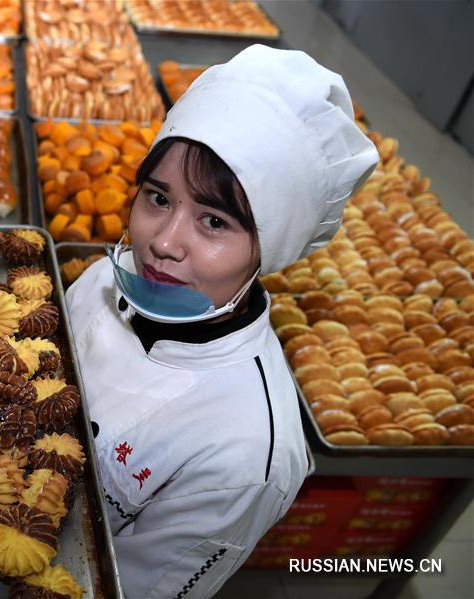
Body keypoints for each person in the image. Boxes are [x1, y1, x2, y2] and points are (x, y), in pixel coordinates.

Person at [65, 44, 379, 598]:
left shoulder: (247, 453)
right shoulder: (102, 278)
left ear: (271, 246)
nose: (162, 242)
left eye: (213, 221)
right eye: (158, 198)